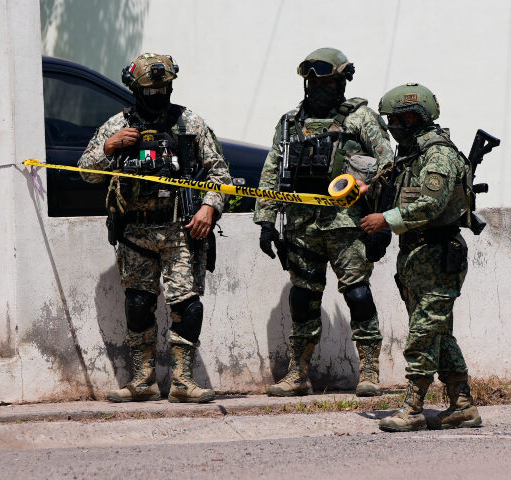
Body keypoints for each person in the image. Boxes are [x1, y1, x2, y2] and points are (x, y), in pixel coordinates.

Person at [79, 53, 231, 403]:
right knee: (137, 303)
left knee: (188, 306)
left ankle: (182, 382)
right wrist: (109, 146)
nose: (156, 96)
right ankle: (142, 380)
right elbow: (86, 170)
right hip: (136, 234)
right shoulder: (117, 125)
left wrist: (209, 206)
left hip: (182, 231)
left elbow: (219, 173)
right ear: (134, 89)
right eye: (149, 90)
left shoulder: (189, 123)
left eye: (162, 89)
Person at [254, 48, 394, 397]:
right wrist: (266, 221)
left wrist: (379, 211)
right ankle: (297, 374)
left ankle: (371, 370)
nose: (322, 88)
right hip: (302, 226)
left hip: (348, 224)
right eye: (316, 82)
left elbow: (390, 164)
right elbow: (272, 170)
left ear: (342, 82)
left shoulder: (360, 118)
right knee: (302, 299)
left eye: (330, 81)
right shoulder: (289, 122)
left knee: (358, 294)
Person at [360, 82, 482, 431]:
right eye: (392, 120)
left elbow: (432, 204)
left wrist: (387, 219)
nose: (395, 126)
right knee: (439, 333)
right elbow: (400, 192)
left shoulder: (438, 155)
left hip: (439, 254)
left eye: (402, 118)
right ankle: (462, 405)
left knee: (424, 333)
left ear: (420, 117)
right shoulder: (411, 155)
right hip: (416, 254)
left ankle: (413, 407)